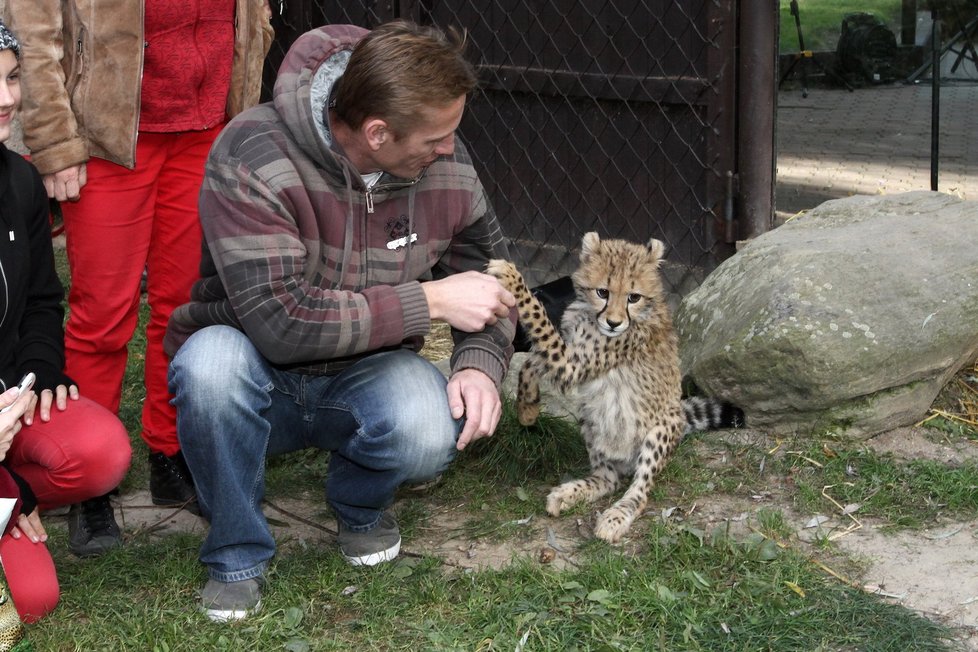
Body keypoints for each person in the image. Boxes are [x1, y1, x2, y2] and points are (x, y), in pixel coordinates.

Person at [164, 20, 517, 621]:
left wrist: (481, 365)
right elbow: (282, 323)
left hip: (368, 367)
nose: (449, 150)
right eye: (437, 138)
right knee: (210, 367)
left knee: (429, 424)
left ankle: (358, 507)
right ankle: (236, 550)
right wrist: (429, 302)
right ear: (377, 133)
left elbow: (489, 275)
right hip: (256, 365)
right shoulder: (251, 153)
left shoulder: (442, 162)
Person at [3, 0, 274, 550]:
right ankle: (90, 485)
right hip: (107, 137)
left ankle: (172, 452)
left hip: (208, 130)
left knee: (186, 306)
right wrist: (55, 141)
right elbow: (32, 31)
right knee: (102, 312)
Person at [0, 21, 131, 620]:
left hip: (8, 403)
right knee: (29, 602)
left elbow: (39, 302)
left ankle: (12, 495)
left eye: (10, 78)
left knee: (101, 451)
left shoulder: (19, 179)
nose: (8, 100)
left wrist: (37, 370)